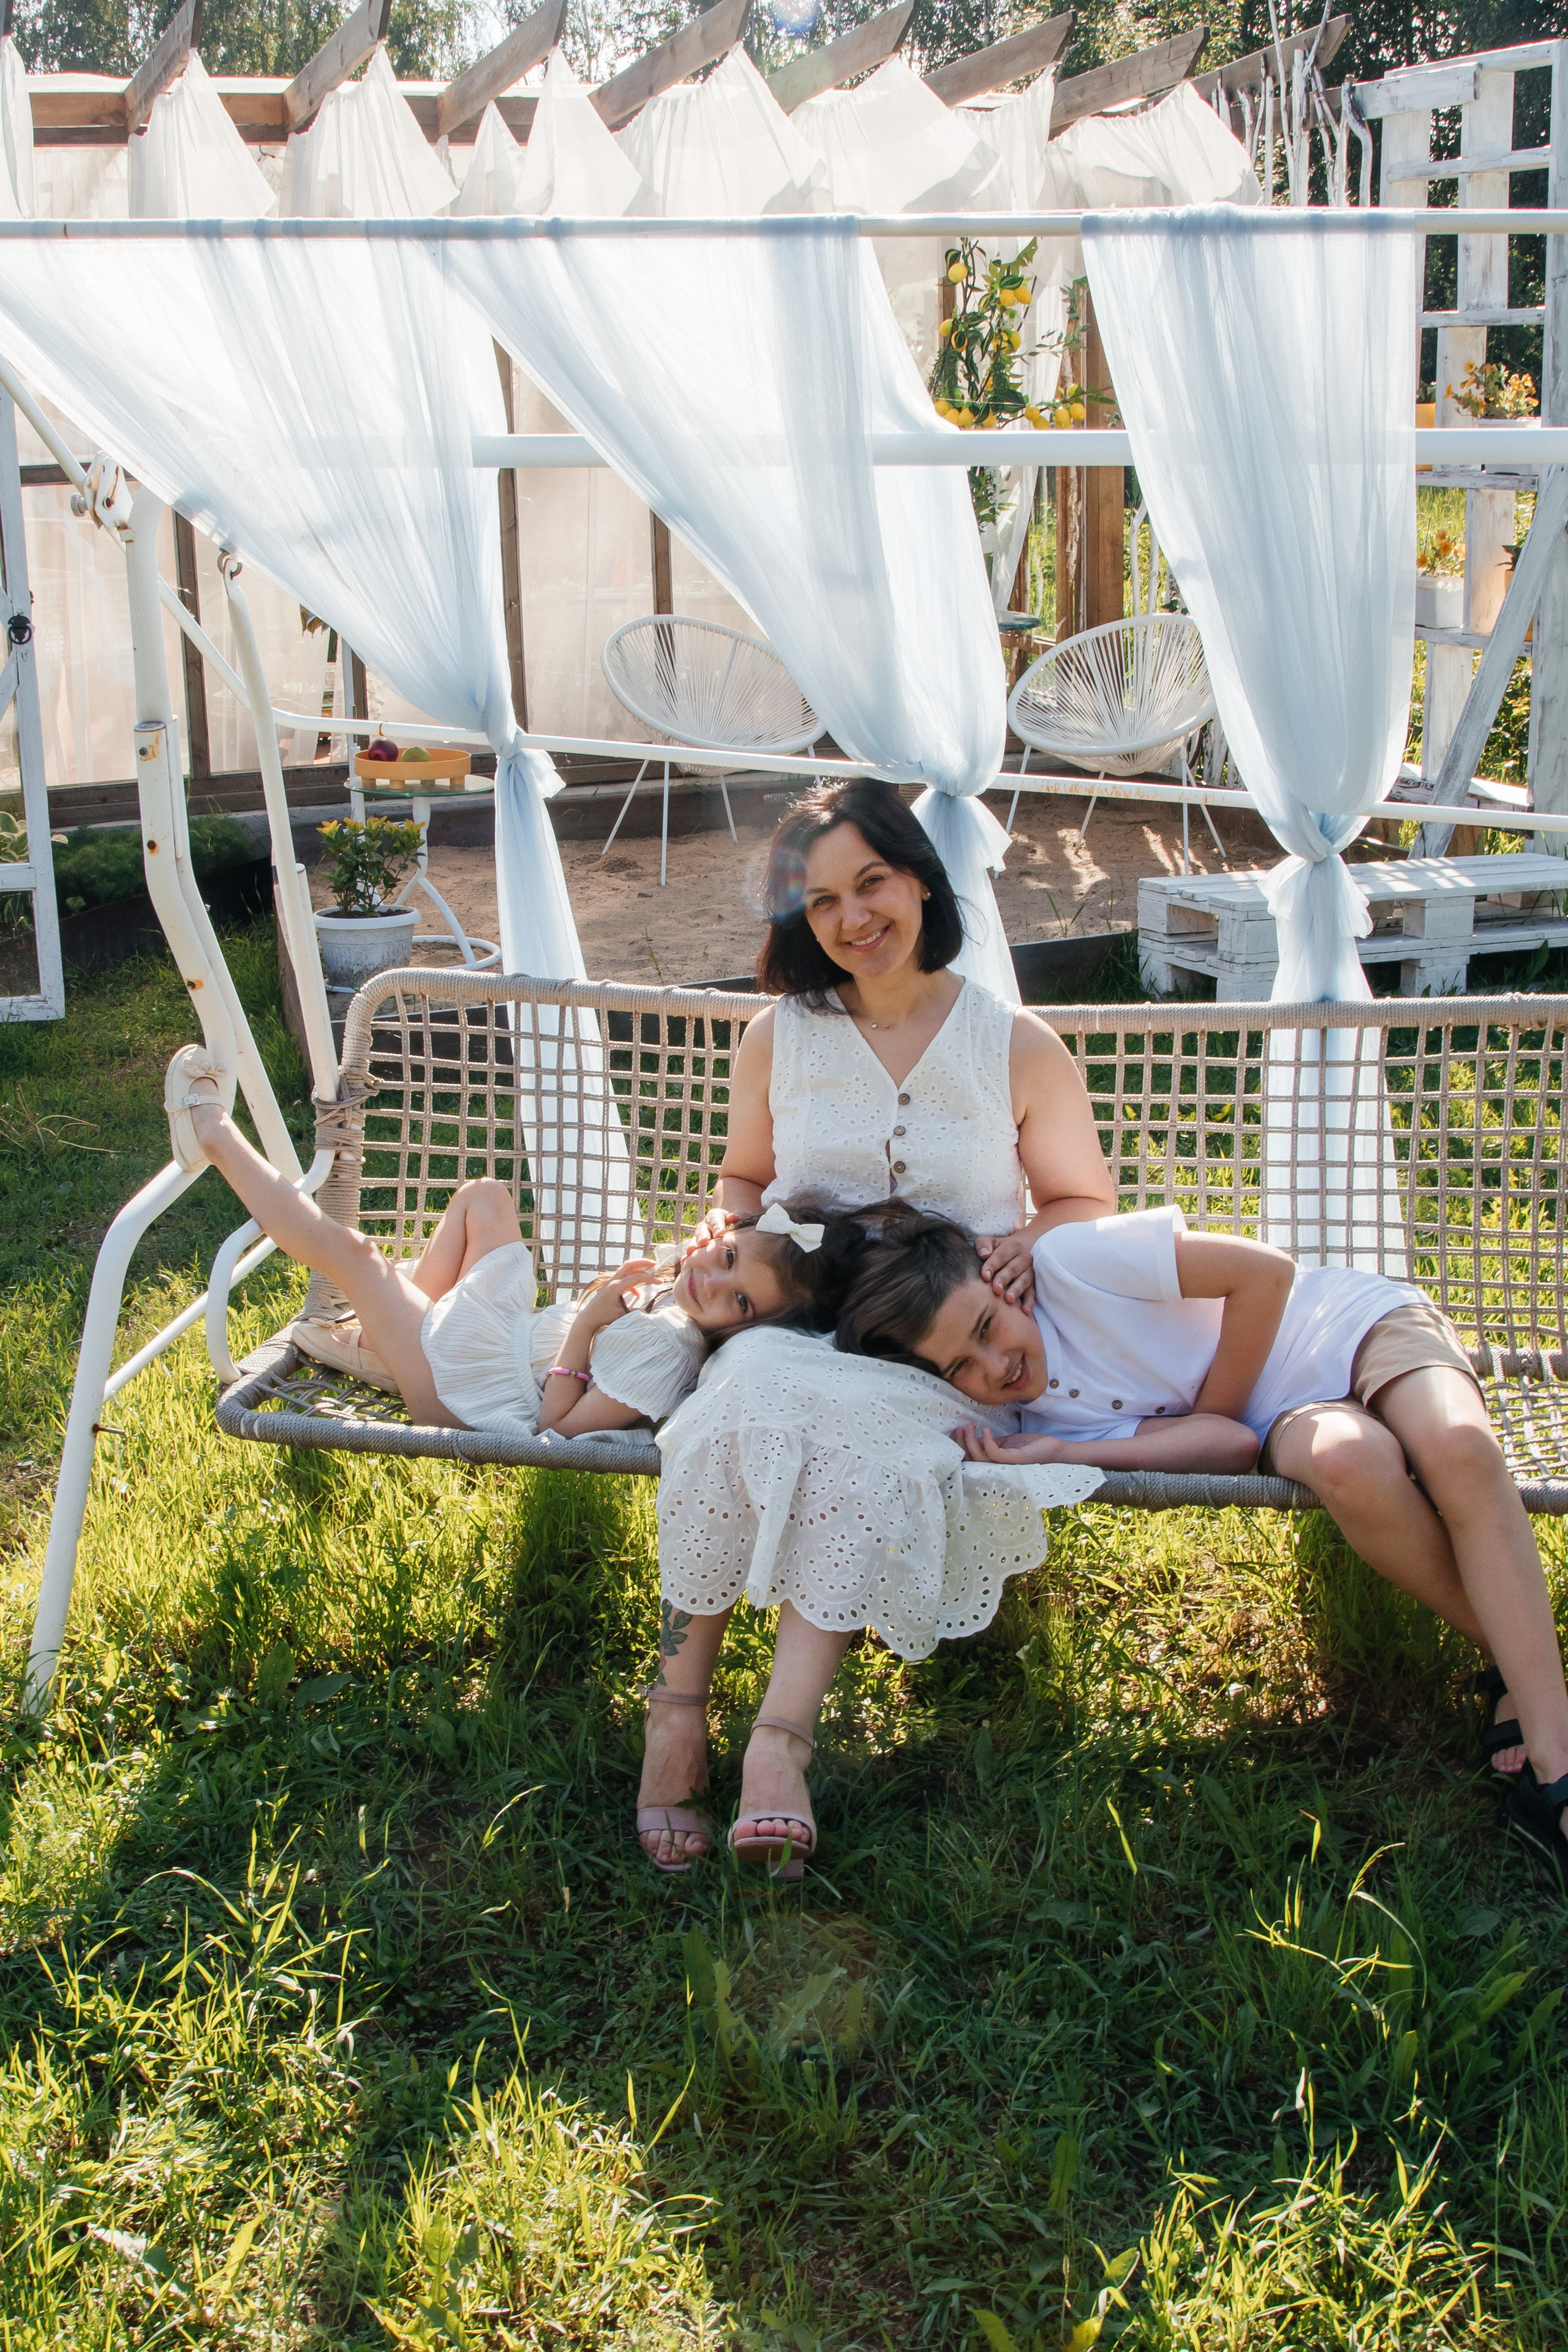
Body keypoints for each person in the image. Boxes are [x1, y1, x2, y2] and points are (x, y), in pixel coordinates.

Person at [639, 776, 1117, 1876]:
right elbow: (745, 1178)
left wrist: (1034, 1237)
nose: (854, 918)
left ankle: (778, 1745)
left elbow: (1085, 1200)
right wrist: (721, 1223)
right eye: (823, 902)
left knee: (861, 1445)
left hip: (936, 1350)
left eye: (872, 884)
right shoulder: (781, 1036)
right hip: (790, 1324)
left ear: (920, 882)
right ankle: (675, 1716)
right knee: (739, 1404)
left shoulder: (1015, 1044)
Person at [833, 1200, 1568, 1880]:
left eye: (987, 1328)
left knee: (1459, 1448)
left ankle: (1553, 1749)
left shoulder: (1070, 1263)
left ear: (1003, 1285)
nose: (996, 1366)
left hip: (1349, 1326)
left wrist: (1207, 1415)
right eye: (961, 1367)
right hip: (1287, 1417)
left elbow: (1265, 1275)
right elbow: (1229, 1446)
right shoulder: (1045, 1422)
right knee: (1349, 1464)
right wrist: (1066, 1453)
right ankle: (1532, 1674)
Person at [164, 1054, 853, 1442]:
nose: (713, 1282)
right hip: (501, 1337)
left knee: (354, 1255)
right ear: (723, 1234)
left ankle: (213, 1134)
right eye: (726, 1258)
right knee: (486, 1197)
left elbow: (555, 1435)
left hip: (471, 1394)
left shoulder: (668, 1352)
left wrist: (585, 1326)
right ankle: (384, 1340)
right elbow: (719, 1252)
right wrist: (698, 1252)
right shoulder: (684, 1282)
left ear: (748, 1327)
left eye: (739, 1301)